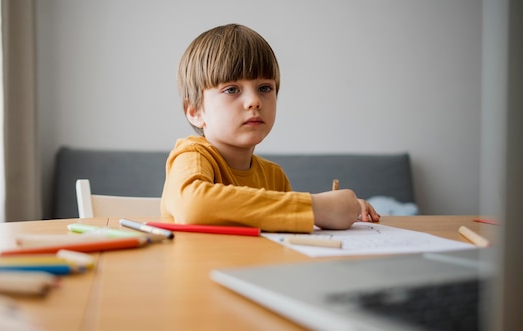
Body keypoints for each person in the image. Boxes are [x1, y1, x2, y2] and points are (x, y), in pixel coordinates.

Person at [160, 23, 379, 233]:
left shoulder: (274, 177)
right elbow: (193, 207)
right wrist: (317, 207)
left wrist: (341, 210)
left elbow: (283, 230)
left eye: (265, 88)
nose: (254, 101)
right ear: (195, 112)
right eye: (232, 90)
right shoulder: (192, 155)